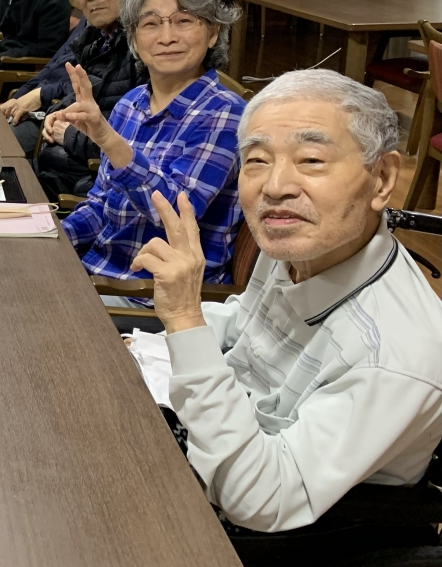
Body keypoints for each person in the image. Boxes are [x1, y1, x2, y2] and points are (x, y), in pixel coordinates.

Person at [130, 68, 442, 534]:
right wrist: (145, 338)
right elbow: (245, 321)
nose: (275, 186)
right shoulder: (304, 245)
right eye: (256, 160)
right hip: (205, 442)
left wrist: (183, 318)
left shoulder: (393, 355)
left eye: (311, 159)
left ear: (382, 180)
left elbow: (259, 500)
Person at [55, 0, 245, 294]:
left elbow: (173, 217)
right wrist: (51, 238)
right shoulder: (131, 103)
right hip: (95, 274)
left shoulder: (226, 115)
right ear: (134, 39)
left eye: (184, 21)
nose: (167, 37)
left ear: (213, 32)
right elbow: (101, 204)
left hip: (151, 300)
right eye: (151, 23)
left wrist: (110, 141)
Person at [0, 0, 144, 201]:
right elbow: (82, 86)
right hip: (56, 167)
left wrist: (65, 131)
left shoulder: (144, 47)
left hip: (82, 186)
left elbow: (134, 146)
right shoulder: (99, 36)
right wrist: (57, 112)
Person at [7, 0, 143, 136]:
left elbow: (129, 134)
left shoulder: (144, 36)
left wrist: (64, 130)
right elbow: (64, 72)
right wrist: (33, 102)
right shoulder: (98, 31)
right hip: (59, 118)